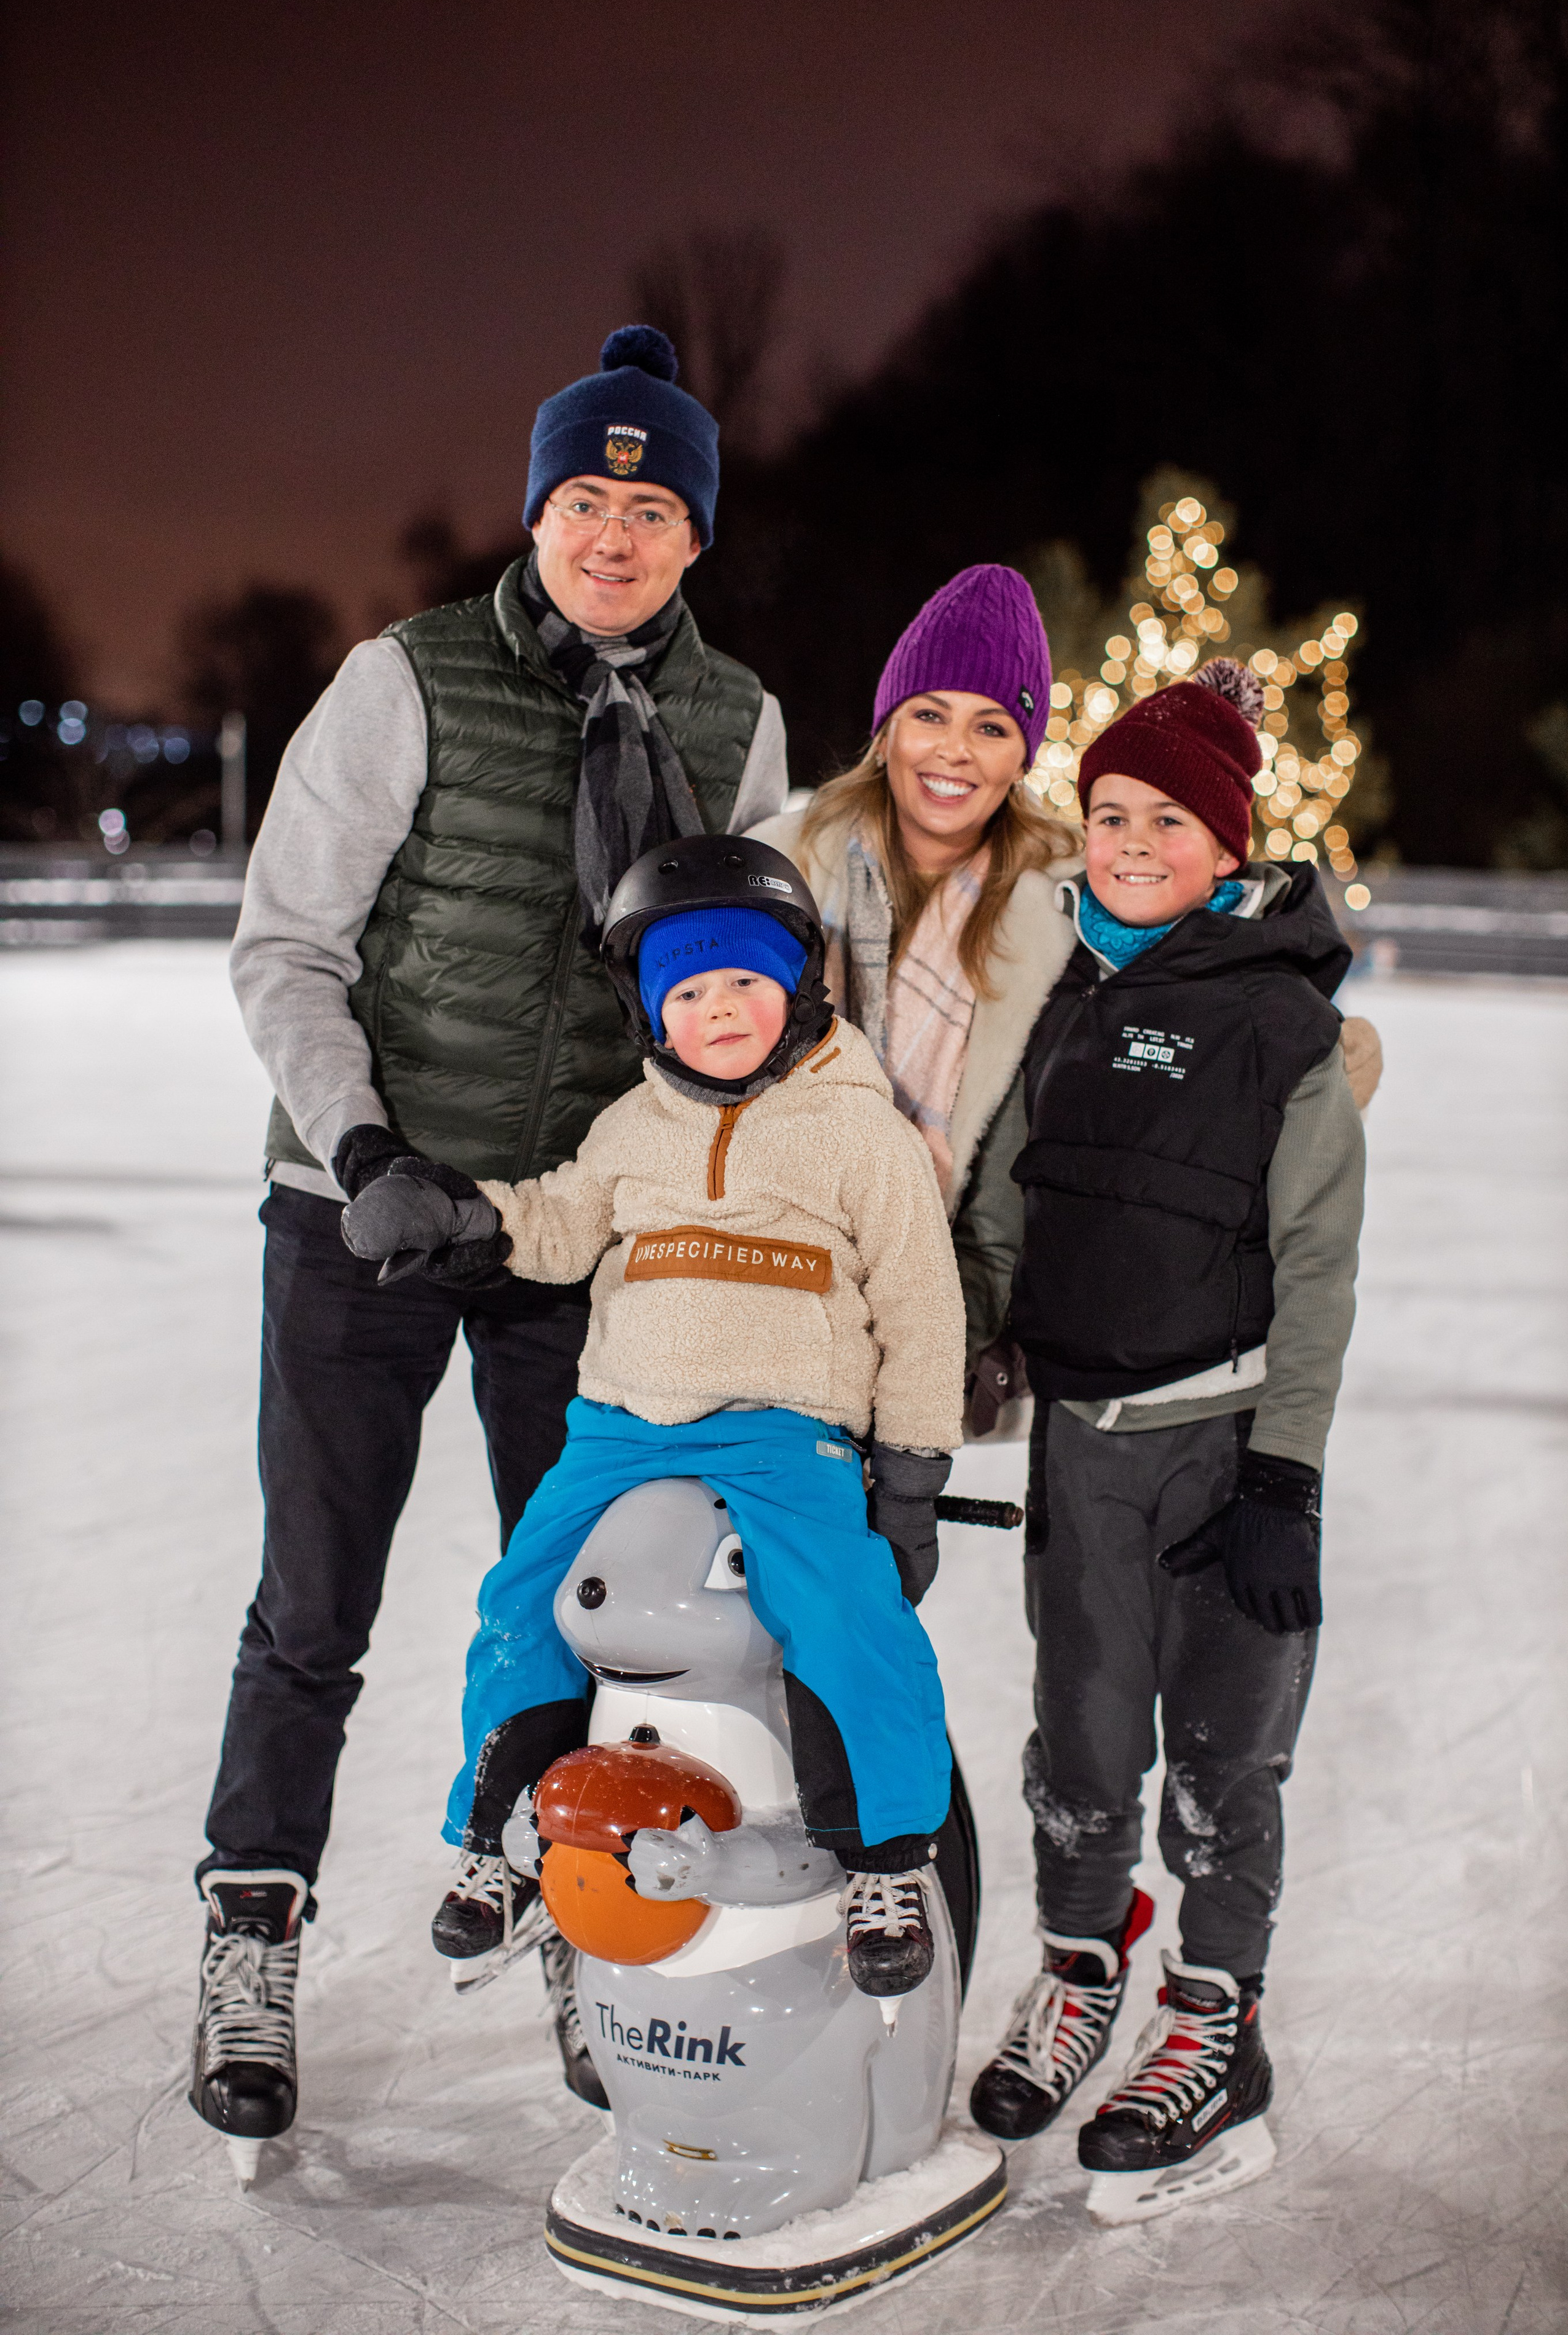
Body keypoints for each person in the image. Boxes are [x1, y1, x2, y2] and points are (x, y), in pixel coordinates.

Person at [189, 326, 790, 2155]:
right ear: (539, 511)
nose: (613, 533)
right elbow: (288, 943)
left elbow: (751, 999)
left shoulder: (739, 725)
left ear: (696, 536)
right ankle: (251, 1926)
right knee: (316, 1608)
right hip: (361, 1216)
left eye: (652, 504)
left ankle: (581, 1915)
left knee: (592, 1619)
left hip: (573, 1241)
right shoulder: (406, 681)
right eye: (584, 498)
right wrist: (363, 1144)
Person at [340, 837, 967, 1996]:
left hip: (788, 1429)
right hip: (620, 1428)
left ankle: (886, 1859)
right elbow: (564, 1222)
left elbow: (923, 1306)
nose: (719, 1009)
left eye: (745, 981)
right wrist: (460, 1217)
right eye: (688, 989)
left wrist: (913, 1469)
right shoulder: (633, 1127)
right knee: (521, 1599)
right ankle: (502, 1838)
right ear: (649, 1008)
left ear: (800, 987)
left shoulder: (860, 1134)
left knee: (844, 1611)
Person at [968, 660, 1365, 2223]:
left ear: (1226, 842)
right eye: (1109, 812)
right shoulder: (1063, 992)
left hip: (1221, 1455)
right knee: (1077, 1742)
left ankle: (1214, 2021)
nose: (1130, 841)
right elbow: (1004, 1197)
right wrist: (982, 1340)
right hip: (1080, 1445)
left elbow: (1318, 1261)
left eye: (1167, 819)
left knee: (1217, 1758)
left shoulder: (1280, 1023)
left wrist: (1285, 1474)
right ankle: (1080, 1967)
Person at [754, 564, 1082, 1395]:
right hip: (760, 1274)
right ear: (887, 729)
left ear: (1022, 754)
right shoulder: (786, 860)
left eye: (991, 726)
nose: (953, 752)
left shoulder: (1069, 901)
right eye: (929, 715)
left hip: (940, 1296)